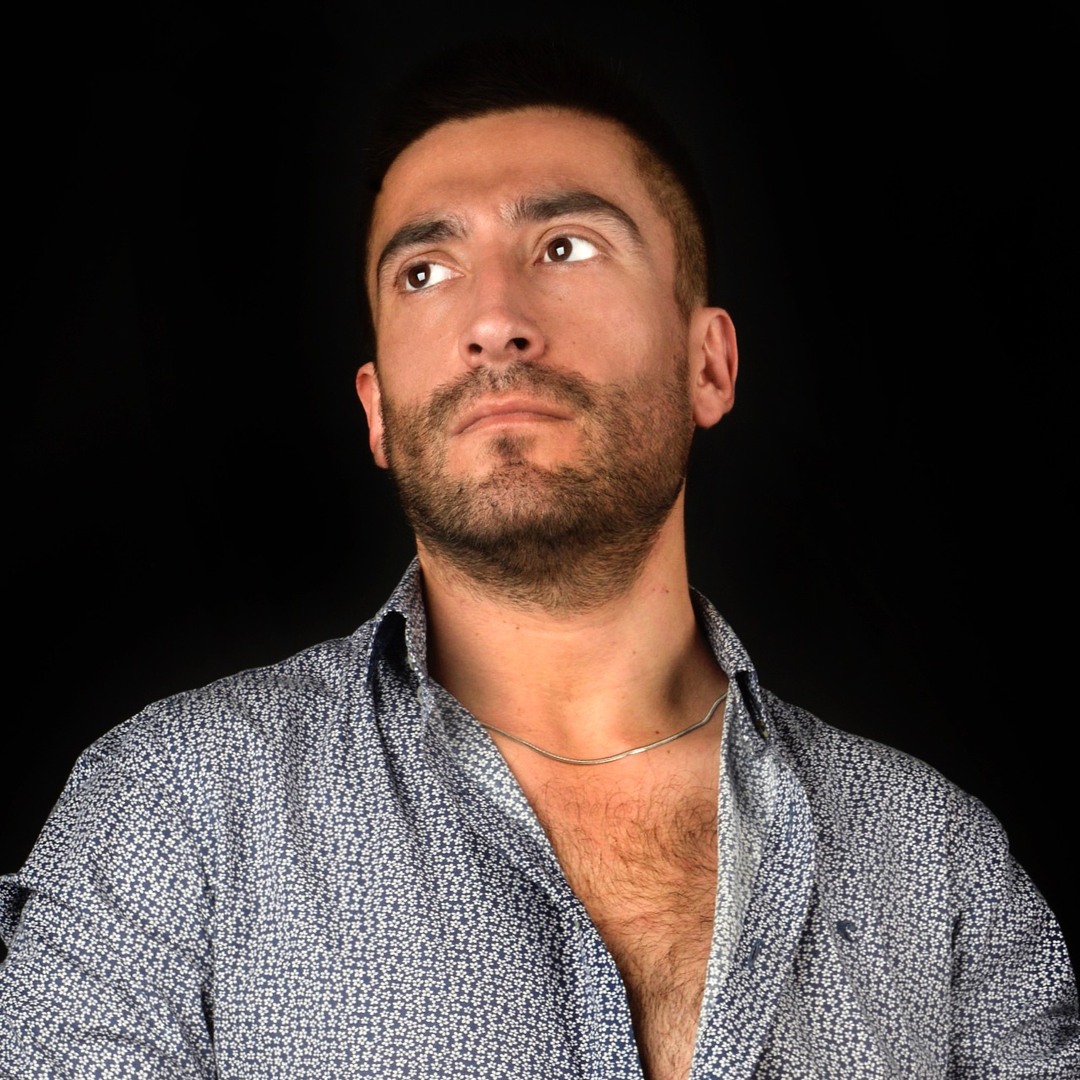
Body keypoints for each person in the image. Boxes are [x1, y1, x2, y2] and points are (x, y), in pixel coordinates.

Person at [1, 35, 1076, 1080]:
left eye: (565, 247)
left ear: (708, 364)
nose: (494, 322)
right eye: (425, 271)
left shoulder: (939, 866)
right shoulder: (169, 814)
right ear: (377, 412)